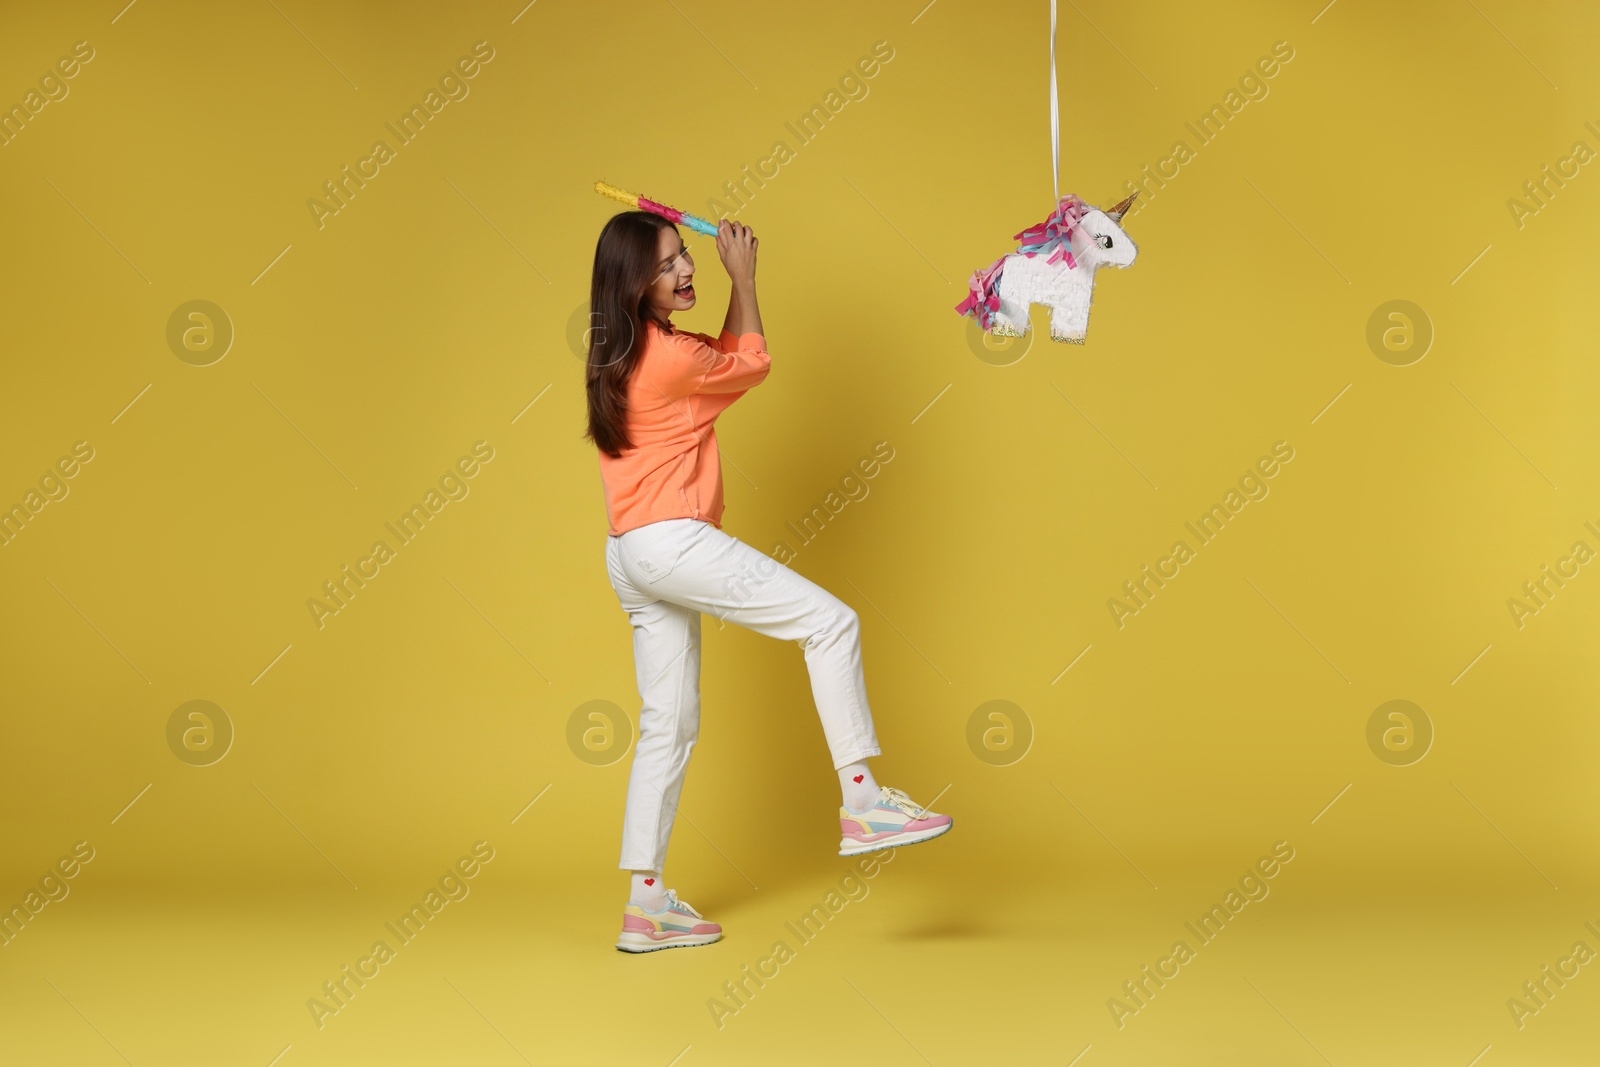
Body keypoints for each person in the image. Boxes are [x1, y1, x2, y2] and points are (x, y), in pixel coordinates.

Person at [585, 210, 953, 953]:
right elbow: (749, 361)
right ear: (633, 283)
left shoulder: (627, 349)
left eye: (685, 256)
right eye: (667, 265)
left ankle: (645, 902)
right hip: (671, 542)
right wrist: (745, 277)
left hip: (629, 551)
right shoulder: (667, 358)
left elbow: (722, 354)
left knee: (668, 722)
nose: (686, 270)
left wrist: (731, 285)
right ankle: (863, 801)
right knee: (832, 622)